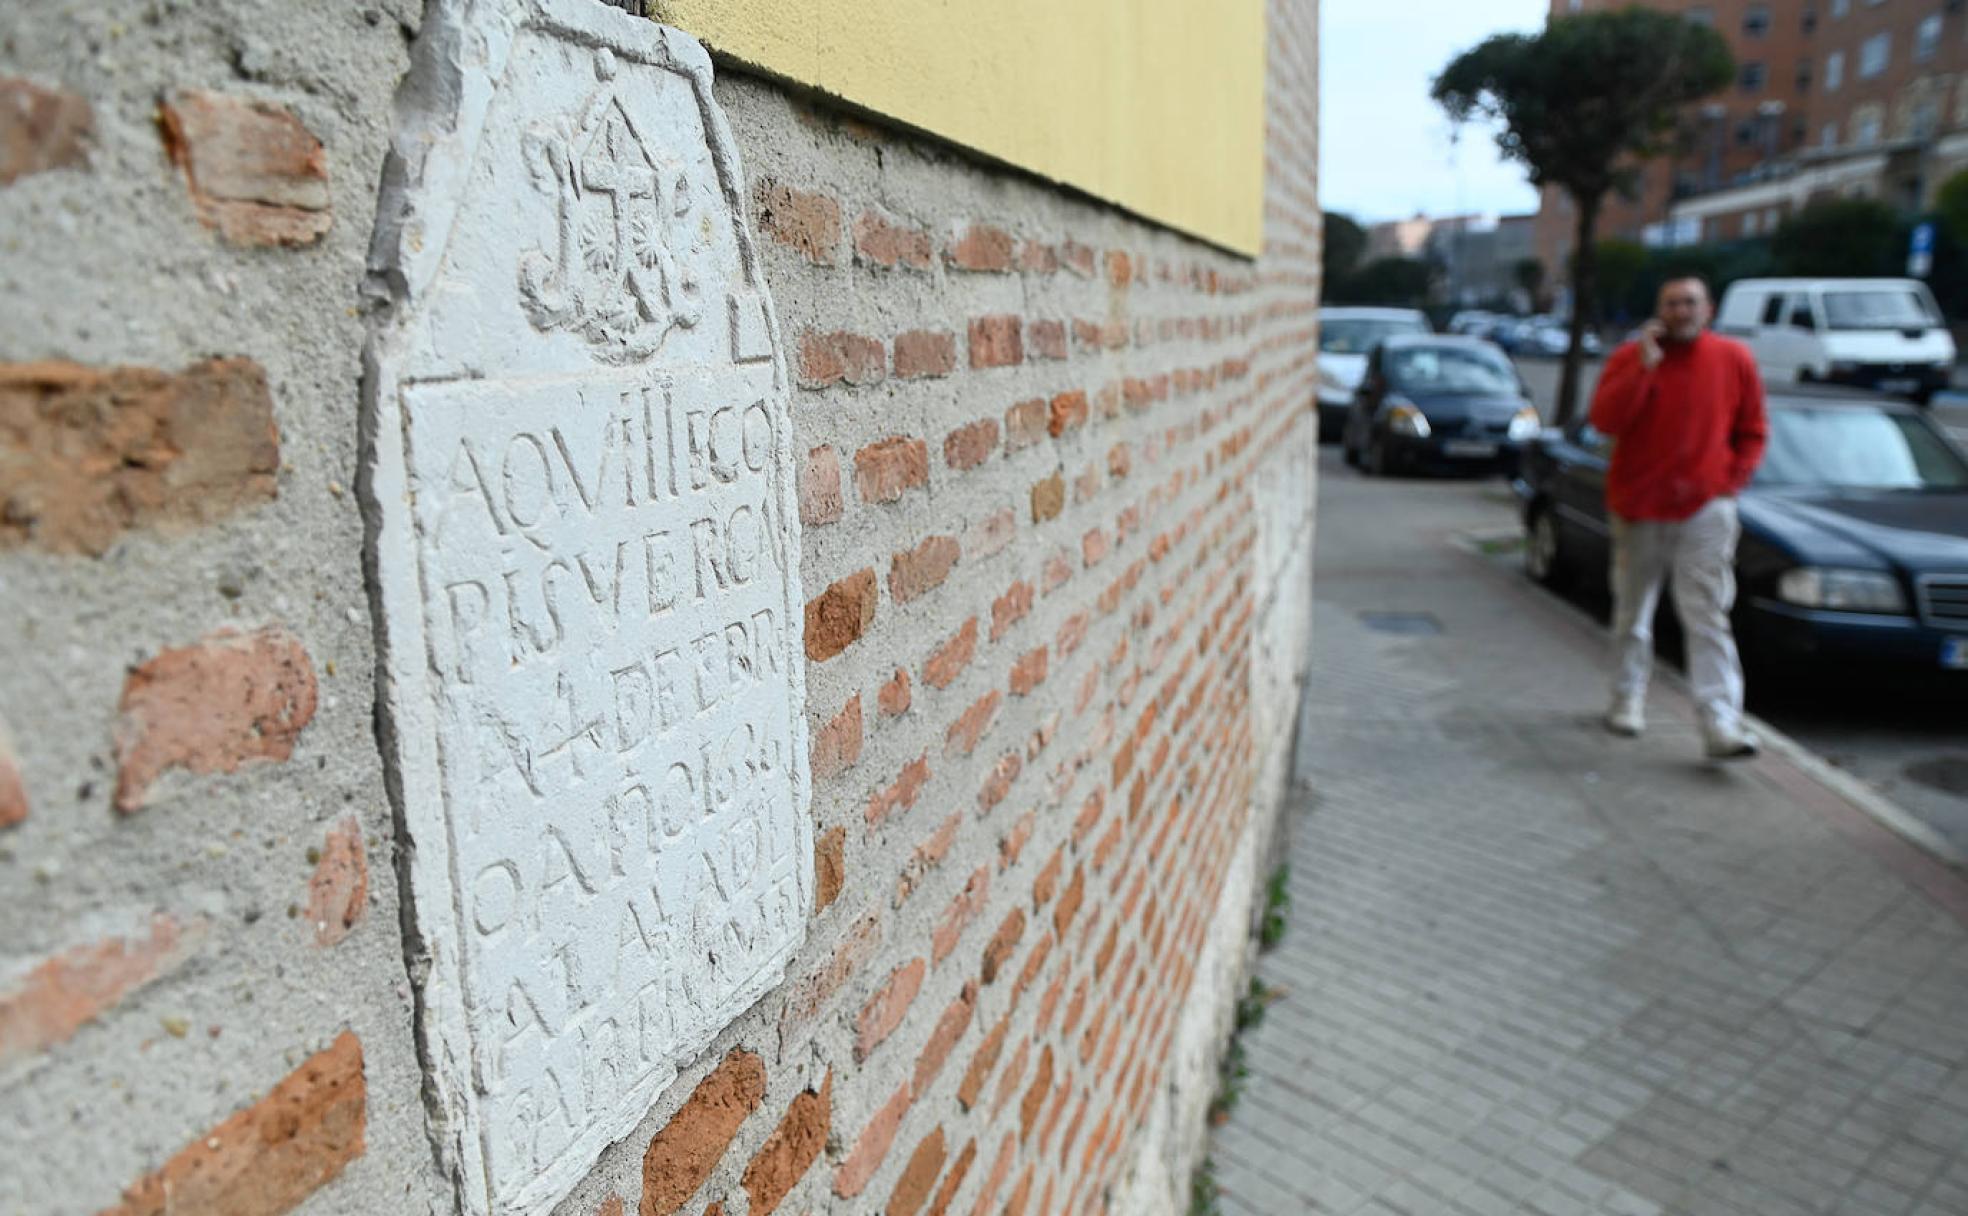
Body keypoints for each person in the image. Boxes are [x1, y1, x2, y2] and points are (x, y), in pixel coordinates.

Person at [1588, 276, 1769, 760]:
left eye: (1690, 303)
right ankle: (1627, 699)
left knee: (1708, 614)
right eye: (1671, 303)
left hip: (1706, 506)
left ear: (1707, 310)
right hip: (1639, 505)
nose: (1681, 311)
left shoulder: (1733, 359)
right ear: (1658, 311)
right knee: (1633, 611)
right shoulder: (1630, 359)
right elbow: (1606, 421)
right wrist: (1644, 368)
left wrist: (1732, 480)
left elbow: (1752, 428)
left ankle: (1719, 722)